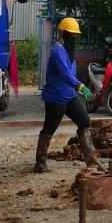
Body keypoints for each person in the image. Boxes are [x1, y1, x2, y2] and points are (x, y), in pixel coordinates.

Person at [34, 17, 101, 173]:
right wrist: (80, 85)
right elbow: (64, 73)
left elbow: (71, 72)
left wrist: (77, 87)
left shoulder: (69, 52)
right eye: (71, 35)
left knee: (84, 120)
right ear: (63, 34)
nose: (74, 38)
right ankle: (40, 162)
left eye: (75, 35)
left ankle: (91, 159)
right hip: (56, 98)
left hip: (70, 96)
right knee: (49, 129)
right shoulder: (58, 51)